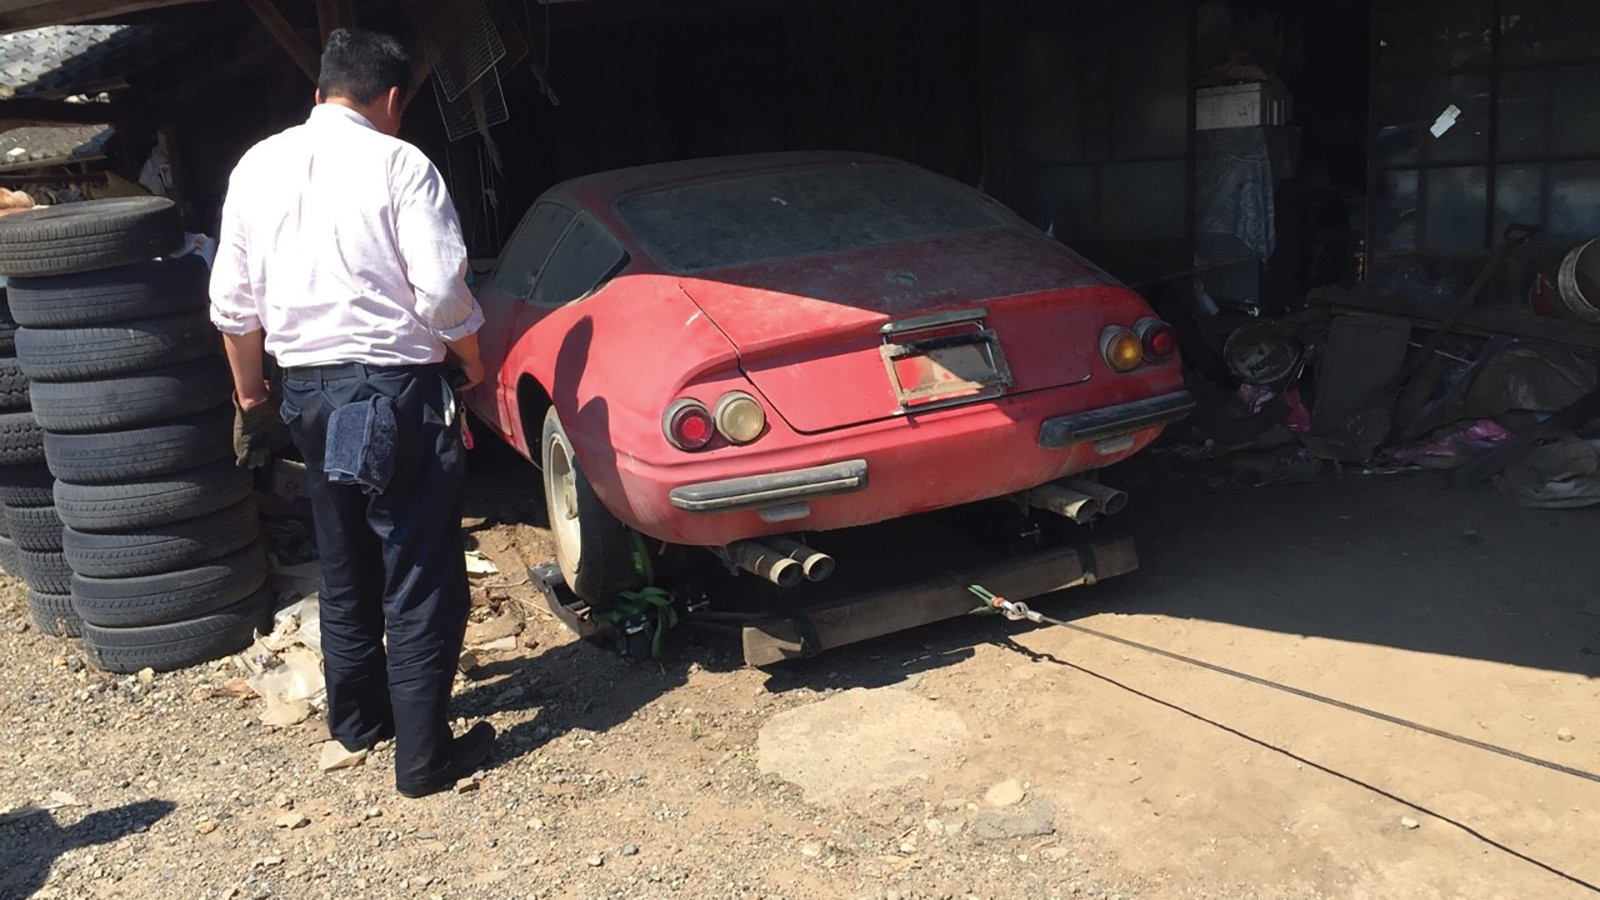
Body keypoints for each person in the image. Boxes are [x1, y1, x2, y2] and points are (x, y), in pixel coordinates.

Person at [209, 27, 495, 798]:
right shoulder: (402, 163)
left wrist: (252, 397)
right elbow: (439, 292)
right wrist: (471, 359)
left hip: (307, 393)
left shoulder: (257, 166)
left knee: (344, 566)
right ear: (393, 98)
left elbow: (233, 305)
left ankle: (359, 726)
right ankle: (427, 759)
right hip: (397, 393)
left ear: (319, 92)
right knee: (419, 568)